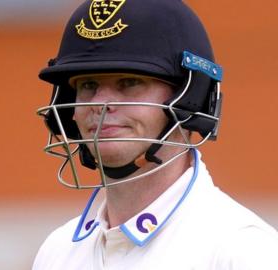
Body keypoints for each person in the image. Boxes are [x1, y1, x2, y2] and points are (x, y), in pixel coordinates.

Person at [33, 0, 278, 269]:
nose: (100, 103)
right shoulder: (58, 251)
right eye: (88, 85)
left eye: (129, 82)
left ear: (189, 100)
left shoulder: (242, 251)